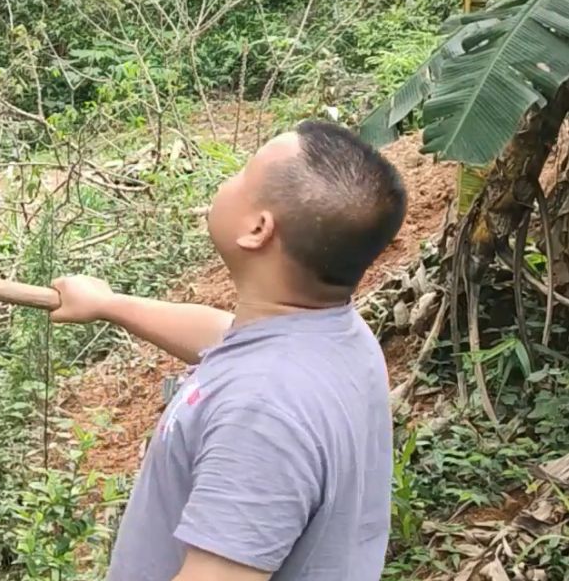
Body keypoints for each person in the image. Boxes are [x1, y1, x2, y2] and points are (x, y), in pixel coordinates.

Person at [50, 120, 406, 581]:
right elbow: (225, 335)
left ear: (258, 229)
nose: (228, 180)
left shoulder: (263, 413)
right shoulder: (335, 334)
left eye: (242, 173)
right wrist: (108, 304)